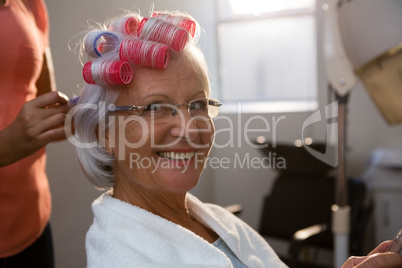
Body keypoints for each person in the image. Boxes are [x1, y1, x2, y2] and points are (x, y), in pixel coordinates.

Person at [70, 9, 402, 268]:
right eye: (157, 107)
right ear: (106, 134)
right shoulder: (124, 258)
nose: (188, 128)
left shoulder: (219, 222)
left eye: (198, 104)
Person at [0, 0, 70, 267]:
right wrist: (11, 142)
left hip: (33, 222)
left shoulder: (32, 6)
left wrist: (90, 114)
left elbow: (51, 112)